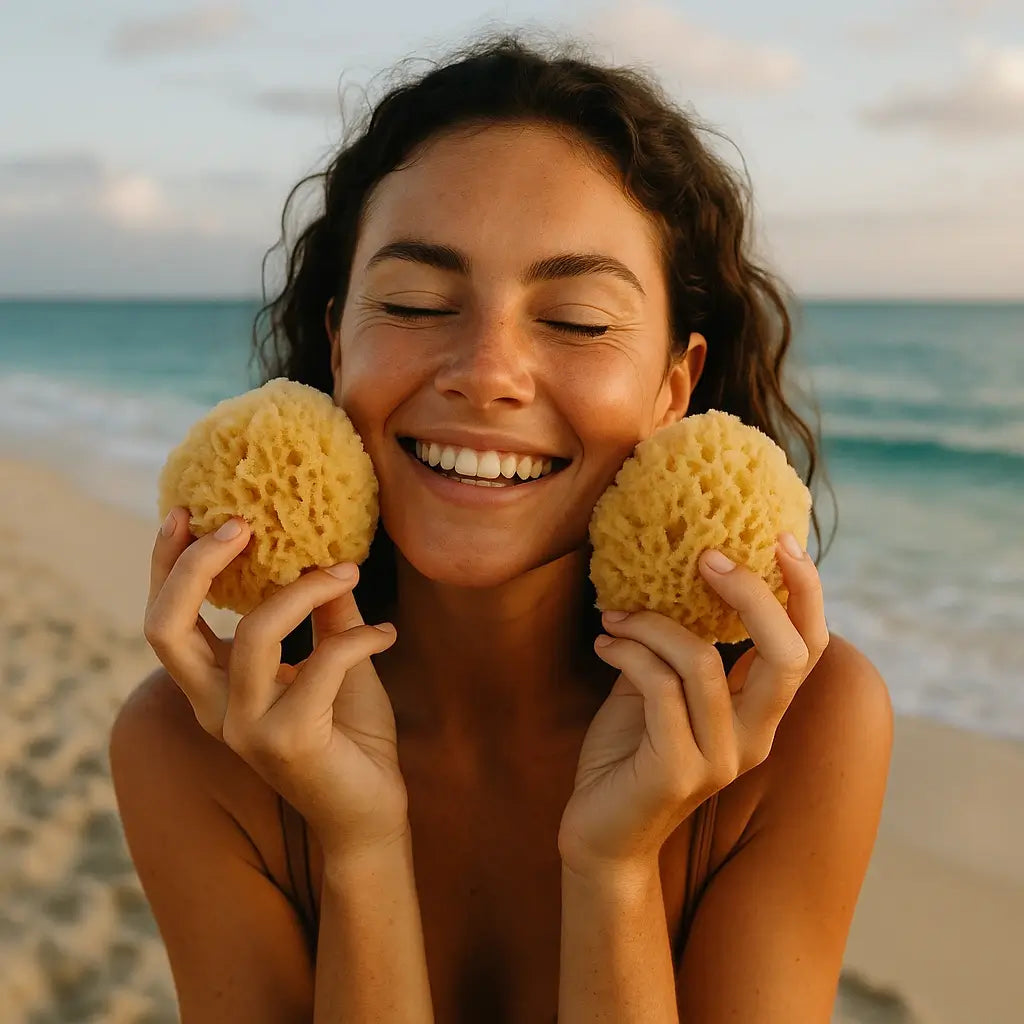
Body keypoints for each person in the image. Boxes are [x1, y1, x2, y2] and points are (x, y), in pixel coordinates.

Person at [110, 31, 893, 1024]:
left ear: (673, 386)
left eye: (575, 318)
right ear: (335, 341)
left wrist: (612, 870)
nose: (487, 371)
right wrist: (357, 846)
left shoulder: (798, 729)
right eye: (414, 301)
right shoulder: (193, 743)